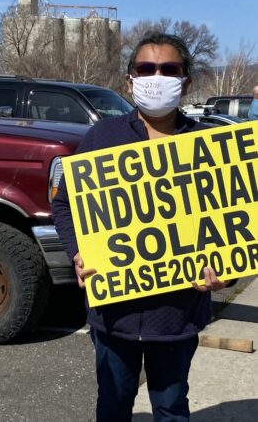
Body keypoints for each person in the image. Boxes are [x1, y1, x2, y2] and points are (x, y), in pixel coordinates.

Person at [52, 32, 231, 422]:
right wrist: (77, 252)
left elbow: (231, 225)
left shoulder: (208, 147)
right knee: (113, 407)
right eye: (146, 68)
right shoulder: (102, 138)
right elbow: (65, 204)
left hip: (177, 316)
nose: (157, 76)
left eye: (169, 69)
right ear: (129, 79)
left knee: (171, 407)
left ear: (185, 81)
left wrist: (224, 274)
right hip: (114, 315)